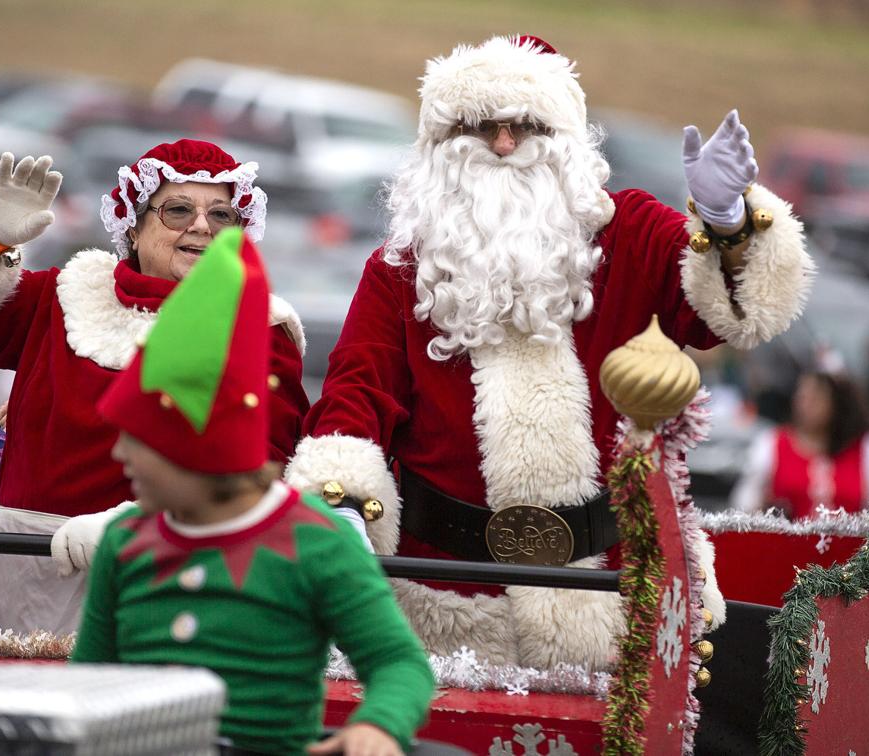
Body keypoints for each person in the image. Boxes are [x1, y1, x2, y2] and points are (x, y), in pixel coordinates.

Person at [273, 34, 814, 670]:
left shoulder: (629, 233)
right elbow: (356, 389)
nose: (505, 146)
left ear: (566, 136)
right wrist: (338, 499)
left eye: (527, 126)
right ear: (442, 147)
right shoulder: (401, 268)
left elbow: (735, 314)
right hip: (446, 600)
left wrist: (727, 226)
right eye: (481, 127)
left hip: (611, 592)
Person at [0, 139, 309, 634]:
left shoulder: (259, 327)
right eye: (178, 210)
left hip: (157, 575)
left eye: (222, 215)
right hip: (19, 568)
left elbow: (257, 471)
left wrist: (136, 525)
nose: (202, 226)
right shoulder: (68, 292)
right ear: (134, 228)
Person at [72, 227, 434, 756]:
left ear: (199, 447)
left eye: (139, 439)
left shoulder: (318, 541)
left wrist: (377, 725)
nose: (120, 454)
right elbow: (88, 684)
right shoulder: (123, 542)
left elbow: (400, 664)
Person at [731, 368, 869, 519]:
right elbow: (744, 506)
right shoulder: (772, 443)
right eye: (803, 397)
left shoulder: (868, 448)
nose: (807, 405)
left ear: (836, 402)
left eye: (816, 398)